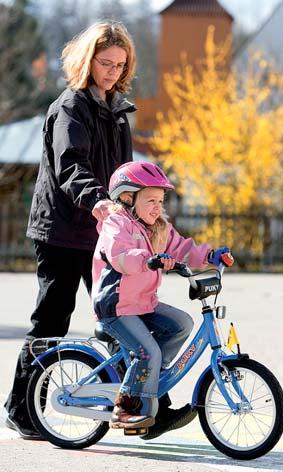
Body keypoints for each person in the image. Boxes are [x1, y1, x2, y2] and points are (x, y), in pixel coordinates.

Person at [5, 21, 137, 440]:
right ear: (87, 61)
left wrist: (138, 211)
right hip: (63, 230)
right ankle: (22, 410)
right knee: (51, 322)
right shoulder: (70, 108)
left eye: (120, 64)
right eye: (105, 63)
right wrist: (97, 199)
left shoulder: (118, 113)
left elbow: (126, 175)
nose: (113, 71)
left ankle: (139, 404)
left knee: (124, 316)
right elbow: (71, 165)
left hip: (104, 233)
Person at [92, 160, 230, 439]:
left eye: (161, 200)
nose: (158, 207)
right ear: (128, 199)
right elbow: (120, 256)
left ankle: (149, 375)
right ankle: (125, 409)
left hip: (143, 303)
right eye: (151, 200)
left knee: (181, 323)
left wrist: (209, 256)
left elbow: (182, 248)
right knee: (148, 352)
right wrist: (149, 259)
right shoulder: (117, 224)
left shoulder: (157, 228)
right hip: (116, 306)